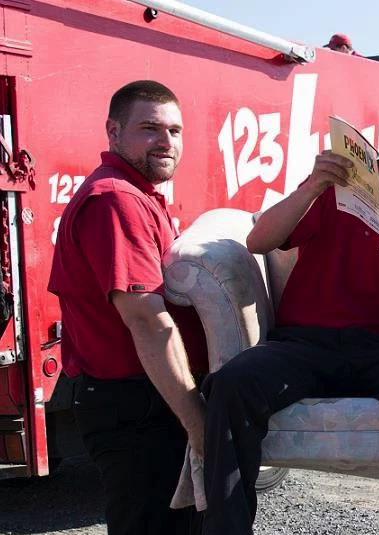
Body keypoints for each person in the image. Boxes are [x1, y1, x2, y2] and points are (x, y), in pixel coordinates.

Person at [201, 95, 379, 535]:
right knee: (232, 383)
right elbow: (259, 240)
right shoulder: (335, 186)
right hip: (303, 342)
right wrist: (314, 185)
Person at [47, 80, 206, 534]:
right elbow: (147, 321)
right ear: (113, 132)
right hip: (137, 409)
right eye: (150, 128)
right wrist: (197, 423)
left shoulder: (136, 194)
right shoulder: (118, 200)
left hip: (145, 401)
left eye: (175, 131)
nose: (167, 142)